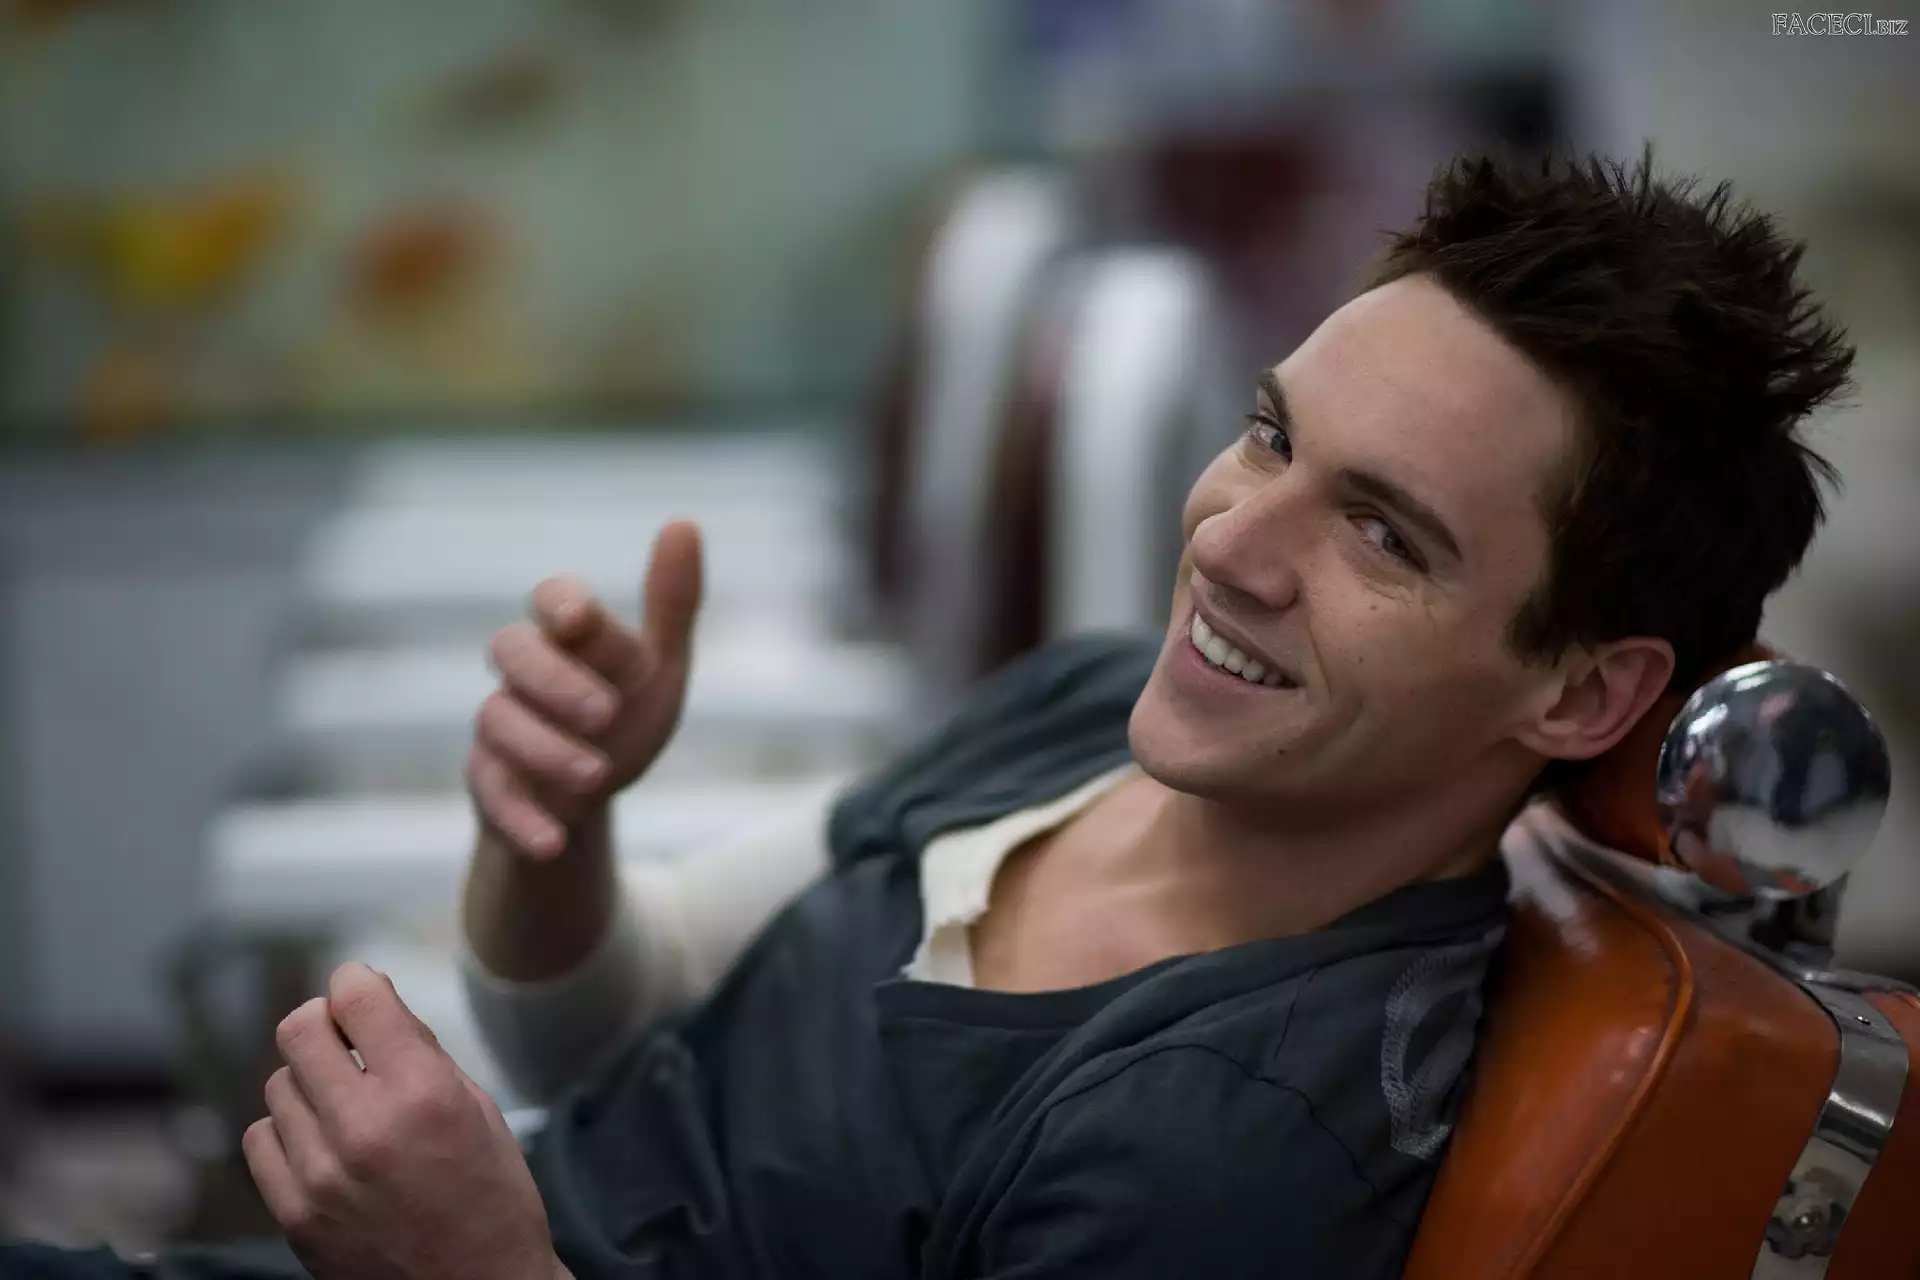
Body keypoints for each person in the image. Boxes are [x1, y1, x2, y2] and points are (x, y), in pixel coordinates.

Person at [1, 150, 1852, 1279]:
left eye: (1382, 533)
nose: (1229, 543)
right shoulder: (1092, 717)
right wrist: (550, 837)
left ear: (1580, 687)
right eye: (1271, 435)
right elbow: (615, 1020)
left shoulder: (1215, 1159)